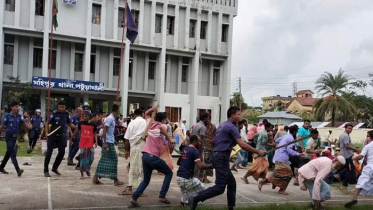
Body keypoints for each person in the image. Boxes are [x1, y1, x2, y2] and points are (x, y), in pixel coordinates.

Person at [189, 107, 266, 210]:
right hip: (221, 157)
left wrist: (227, 144)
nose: (240, 117)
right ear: (232, 115)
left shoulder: (223, 125)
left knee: (232, 183)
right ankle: (196, 198)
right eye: (238, 114)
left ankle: (231, 207)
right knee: (220, 187)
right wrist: (258, 151)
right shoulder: (231, 127)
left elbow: (215, 141)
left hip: (219, 156)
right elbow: (242, 145)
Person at [129, 111, 174, 207]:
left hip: (145, 156)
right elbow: (164, 128)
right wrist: (170, 139)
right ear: (162, 120)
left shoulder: (149, 124)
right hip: (153, 157)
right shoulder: (163, 126)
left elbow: (146, 114)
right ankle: (162, 196)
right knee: (169, 173)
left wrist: (153, 109)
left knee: (146, 180)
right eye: (164, 119)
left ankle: (134, 198)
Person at [259, 126, 301, 195]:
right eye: (296, 132)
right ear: (294, 132)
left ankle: (279, 187)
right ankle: (278, 188)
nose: (296, 134)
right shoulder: (290, 138)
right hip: (282, 158)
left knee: (281, 173)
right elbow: (289, 150)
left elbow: (276, 140)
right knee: (287, 174)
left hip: (279, 157)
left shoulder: (285, 136)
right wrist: (298, 154)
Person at [177, 135, 213, 206]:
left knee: (186, 190)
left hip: (179, 177)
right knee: (202, 189)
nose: (200, 143)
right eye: (199, 141)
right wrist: (212, 165)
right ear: (195, 141)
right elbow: (200, 166)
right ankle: (195, 203)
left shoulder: (185, 149)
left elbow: (178, 162)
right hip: (187, 178)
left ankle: (183, 203)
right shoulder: (194, 151)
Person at [92, 104, 124, 186]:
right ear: (117, 111)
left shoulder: (111, 118)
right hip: (107, 142)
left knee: (105, 159)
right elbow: (105, 130)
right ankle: (115, 179)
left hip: (110, 141)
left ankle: (96, 177)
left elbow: (107, 129)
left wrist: (113, 141)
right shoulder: (110, 118)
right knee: (114, 159)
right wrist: (105, 142)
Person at [44, 100, 77, 177]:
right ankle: (46, 170)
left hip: (62, 136)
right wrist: (46, 133)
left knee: (62, 153)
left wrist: (77, 127)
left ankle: (55, 168)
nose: (61, 108)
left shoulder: (66, 114)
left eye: (63, 107)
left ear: (65, 107)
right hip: (53, 135)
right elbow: (47, 123)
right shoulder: (54, 114)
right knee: (49, 153)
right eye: (60, 107)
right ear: (58, 107)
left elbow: (70, 124)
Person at [0, 101, 31, 177]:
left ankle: (1, 167)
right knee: (13, 153)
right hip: (9, 137)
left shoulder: (19, 116)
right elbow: (2, 125)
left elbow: (24, 123)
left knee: (8, 153)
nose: (17, 108)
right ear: (12, 107)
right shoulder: (7, 115)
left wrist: (29, 126)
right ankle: (18, 170)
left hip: (14, 137)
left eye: (18, 107)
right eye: (16, 106)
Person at [121, 109, 147, 196]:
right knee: (141, 168)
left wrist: (127, 150)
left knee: (132, 167)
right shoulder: (144, 122)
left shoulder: (132, 123)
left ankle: (130, 188)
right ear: (142, 114)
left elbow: (126, 138)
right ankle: (140, 190)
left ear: (134, 115)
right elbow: (147, 136)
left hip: (133, 147)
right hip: (142, 146)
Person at [345, 131, 373, 208]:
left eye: (368, 136)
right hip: (370, 165)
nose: (367, 138)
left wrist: (354, 158)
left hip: (370, 167)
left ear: (370, 137)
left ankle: (354, 198)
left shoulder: (368, 146)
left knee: (360, 182)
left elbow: (360, 156)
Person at [70, 110, 97, 179]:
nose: (84, 117)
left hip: (90, 142)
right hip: (82, 143)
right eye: (84, 116)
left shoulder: (93, 124)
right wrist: (72, 137)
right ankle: (82, 173)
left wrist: (96, 141)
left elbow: (95, 133)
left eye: (86, 116)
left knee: (91, 157)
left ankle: (87, 169)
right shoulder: (81, 123)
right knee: (82, 157)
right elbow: (76, 131)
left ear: (89, 116)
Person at [338, 123, 360, 188]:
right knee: (350, 169)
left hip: (343, 154)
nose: (350, 130)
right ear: (345, 128)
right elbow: (347, 146)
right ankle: (344, 182)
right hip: (347, 155)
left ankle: (343, 181)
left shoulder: (342, 135)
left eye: (351, 129)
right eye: (348, 128)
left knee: (348, 168)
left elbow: (338, 143)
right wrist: (356, 149)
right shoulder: (346, 136)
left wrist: (341, 149)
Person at [293, 119, 311, 186]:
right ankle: (297, 179)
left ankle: (300, 179)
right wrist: (302, 148)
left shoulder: (308, 130)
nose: (307, 125)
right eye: (306, 123)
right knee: (300, 163)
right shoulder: (301, 129)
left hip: (306, 148)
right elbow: (300, 139)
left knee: (304, 163)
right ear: (304, 123)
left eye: (308, 124)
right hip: (301, 148)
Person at [192, 113, 209, 180]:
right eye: (208, 118)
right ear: (205, 119)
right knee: (198, 165)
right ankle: (195, 179)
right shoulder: (203, 127)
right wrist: (200, 153)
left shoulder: (196, 125)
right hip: (197, 148)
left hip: (193, 146)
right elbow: (200, 141)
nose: (208, 120)